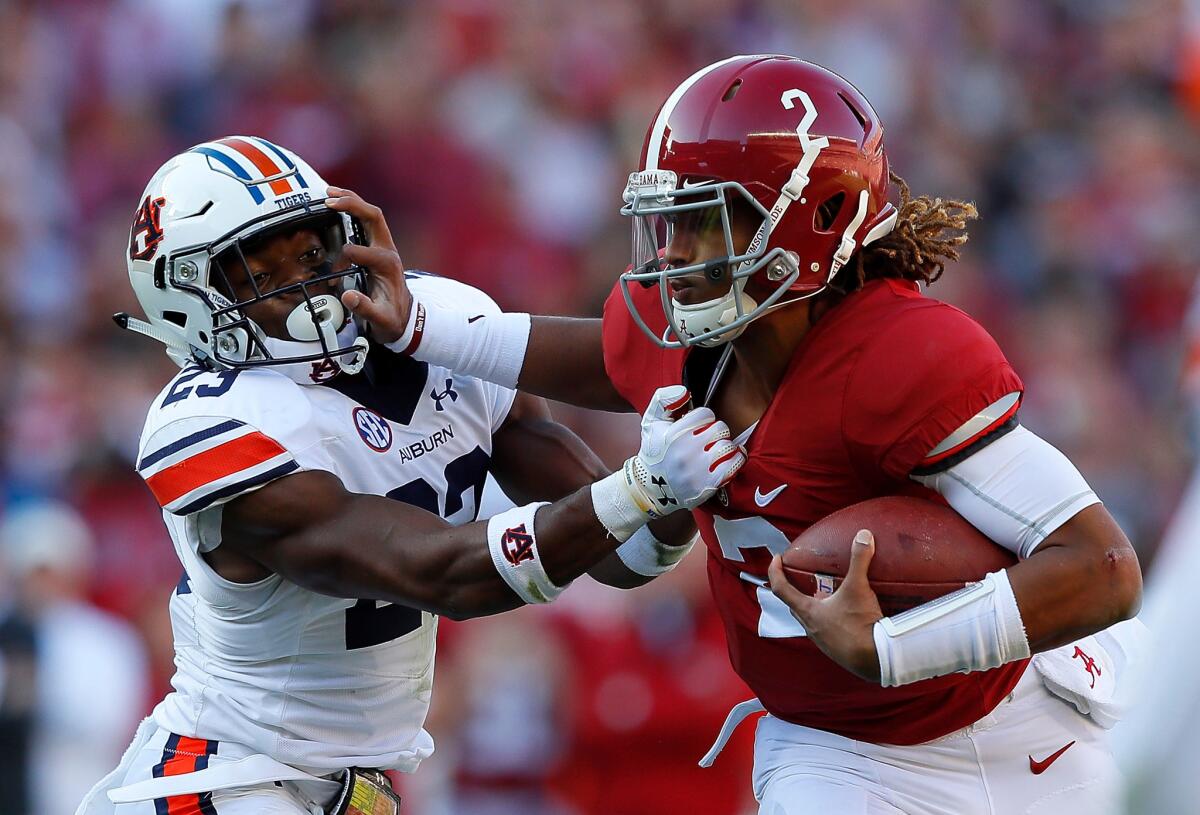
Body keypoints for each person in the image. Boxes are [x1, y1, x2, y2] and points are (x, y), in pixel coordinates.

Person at [346, 56, 1145, 814]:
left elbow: (1102, 567)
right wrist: (418, 325)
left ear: (816, 220)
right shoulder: (701, 334)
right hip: (838, 746)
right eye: (669, 223)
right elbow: (593, 353)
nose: (676, 257)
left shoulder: (898, 357)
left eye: (703, 224)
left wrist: (893, 647)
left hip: (1019, 719)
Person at [77, 137, 744, 815]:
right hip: (225, 779)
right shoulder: (213, 420)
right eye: (261, 272)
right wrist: (640, 487)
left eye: (309, 252)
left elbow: (624, 558)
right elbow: (441, 572)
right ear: (188, 297)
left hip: (351, 789)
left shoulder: (430, 323)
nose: (306, 285)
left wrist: (676, 475)